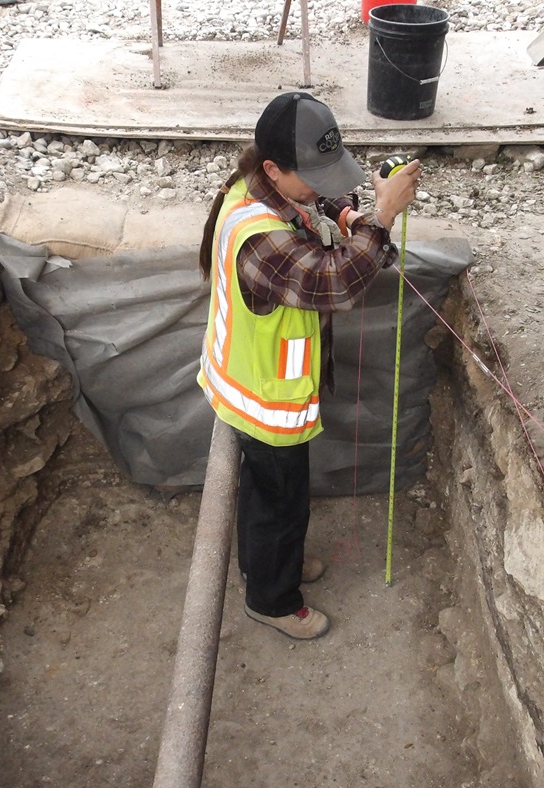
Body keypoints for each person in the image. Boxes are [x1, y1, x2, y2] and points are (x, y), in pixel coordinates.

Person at [197, 91, 420, 640]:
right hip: (265, 397)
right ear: (274, 167)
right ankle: (272, 600)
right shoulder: (258, 238)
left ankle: (267, 565)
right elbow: (335, 282)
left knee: (268, 495)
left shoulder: (262, 190)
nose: (323, 186)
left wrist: (350, 215)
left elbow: (314, 211)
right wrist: (384, 216)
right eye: (313, 174)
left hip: (263, 384)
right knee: (280, 501)